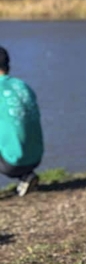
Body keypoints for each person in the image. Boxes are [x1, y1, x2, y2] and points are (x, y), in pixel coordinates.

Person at [0, 47, 43, 196]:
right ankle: (26, 176)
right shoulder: (23, 86)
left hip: (12, 163)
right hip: (35, 157)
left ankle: (21, 173)